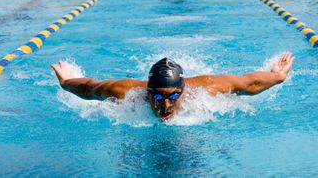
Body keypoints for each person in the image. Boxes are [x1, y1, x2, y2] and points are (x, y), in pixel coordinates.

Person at [51, 52, 294, 120]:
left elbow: (249, 83)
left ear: (184, 90)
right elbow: (90, 88)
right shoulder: (127, 92)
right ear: (147, 91)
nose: (165, 106)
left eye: (173, 96)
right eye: (156, 97)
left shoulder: (206, 90)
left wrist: (277, 76)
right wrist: (66, 81)